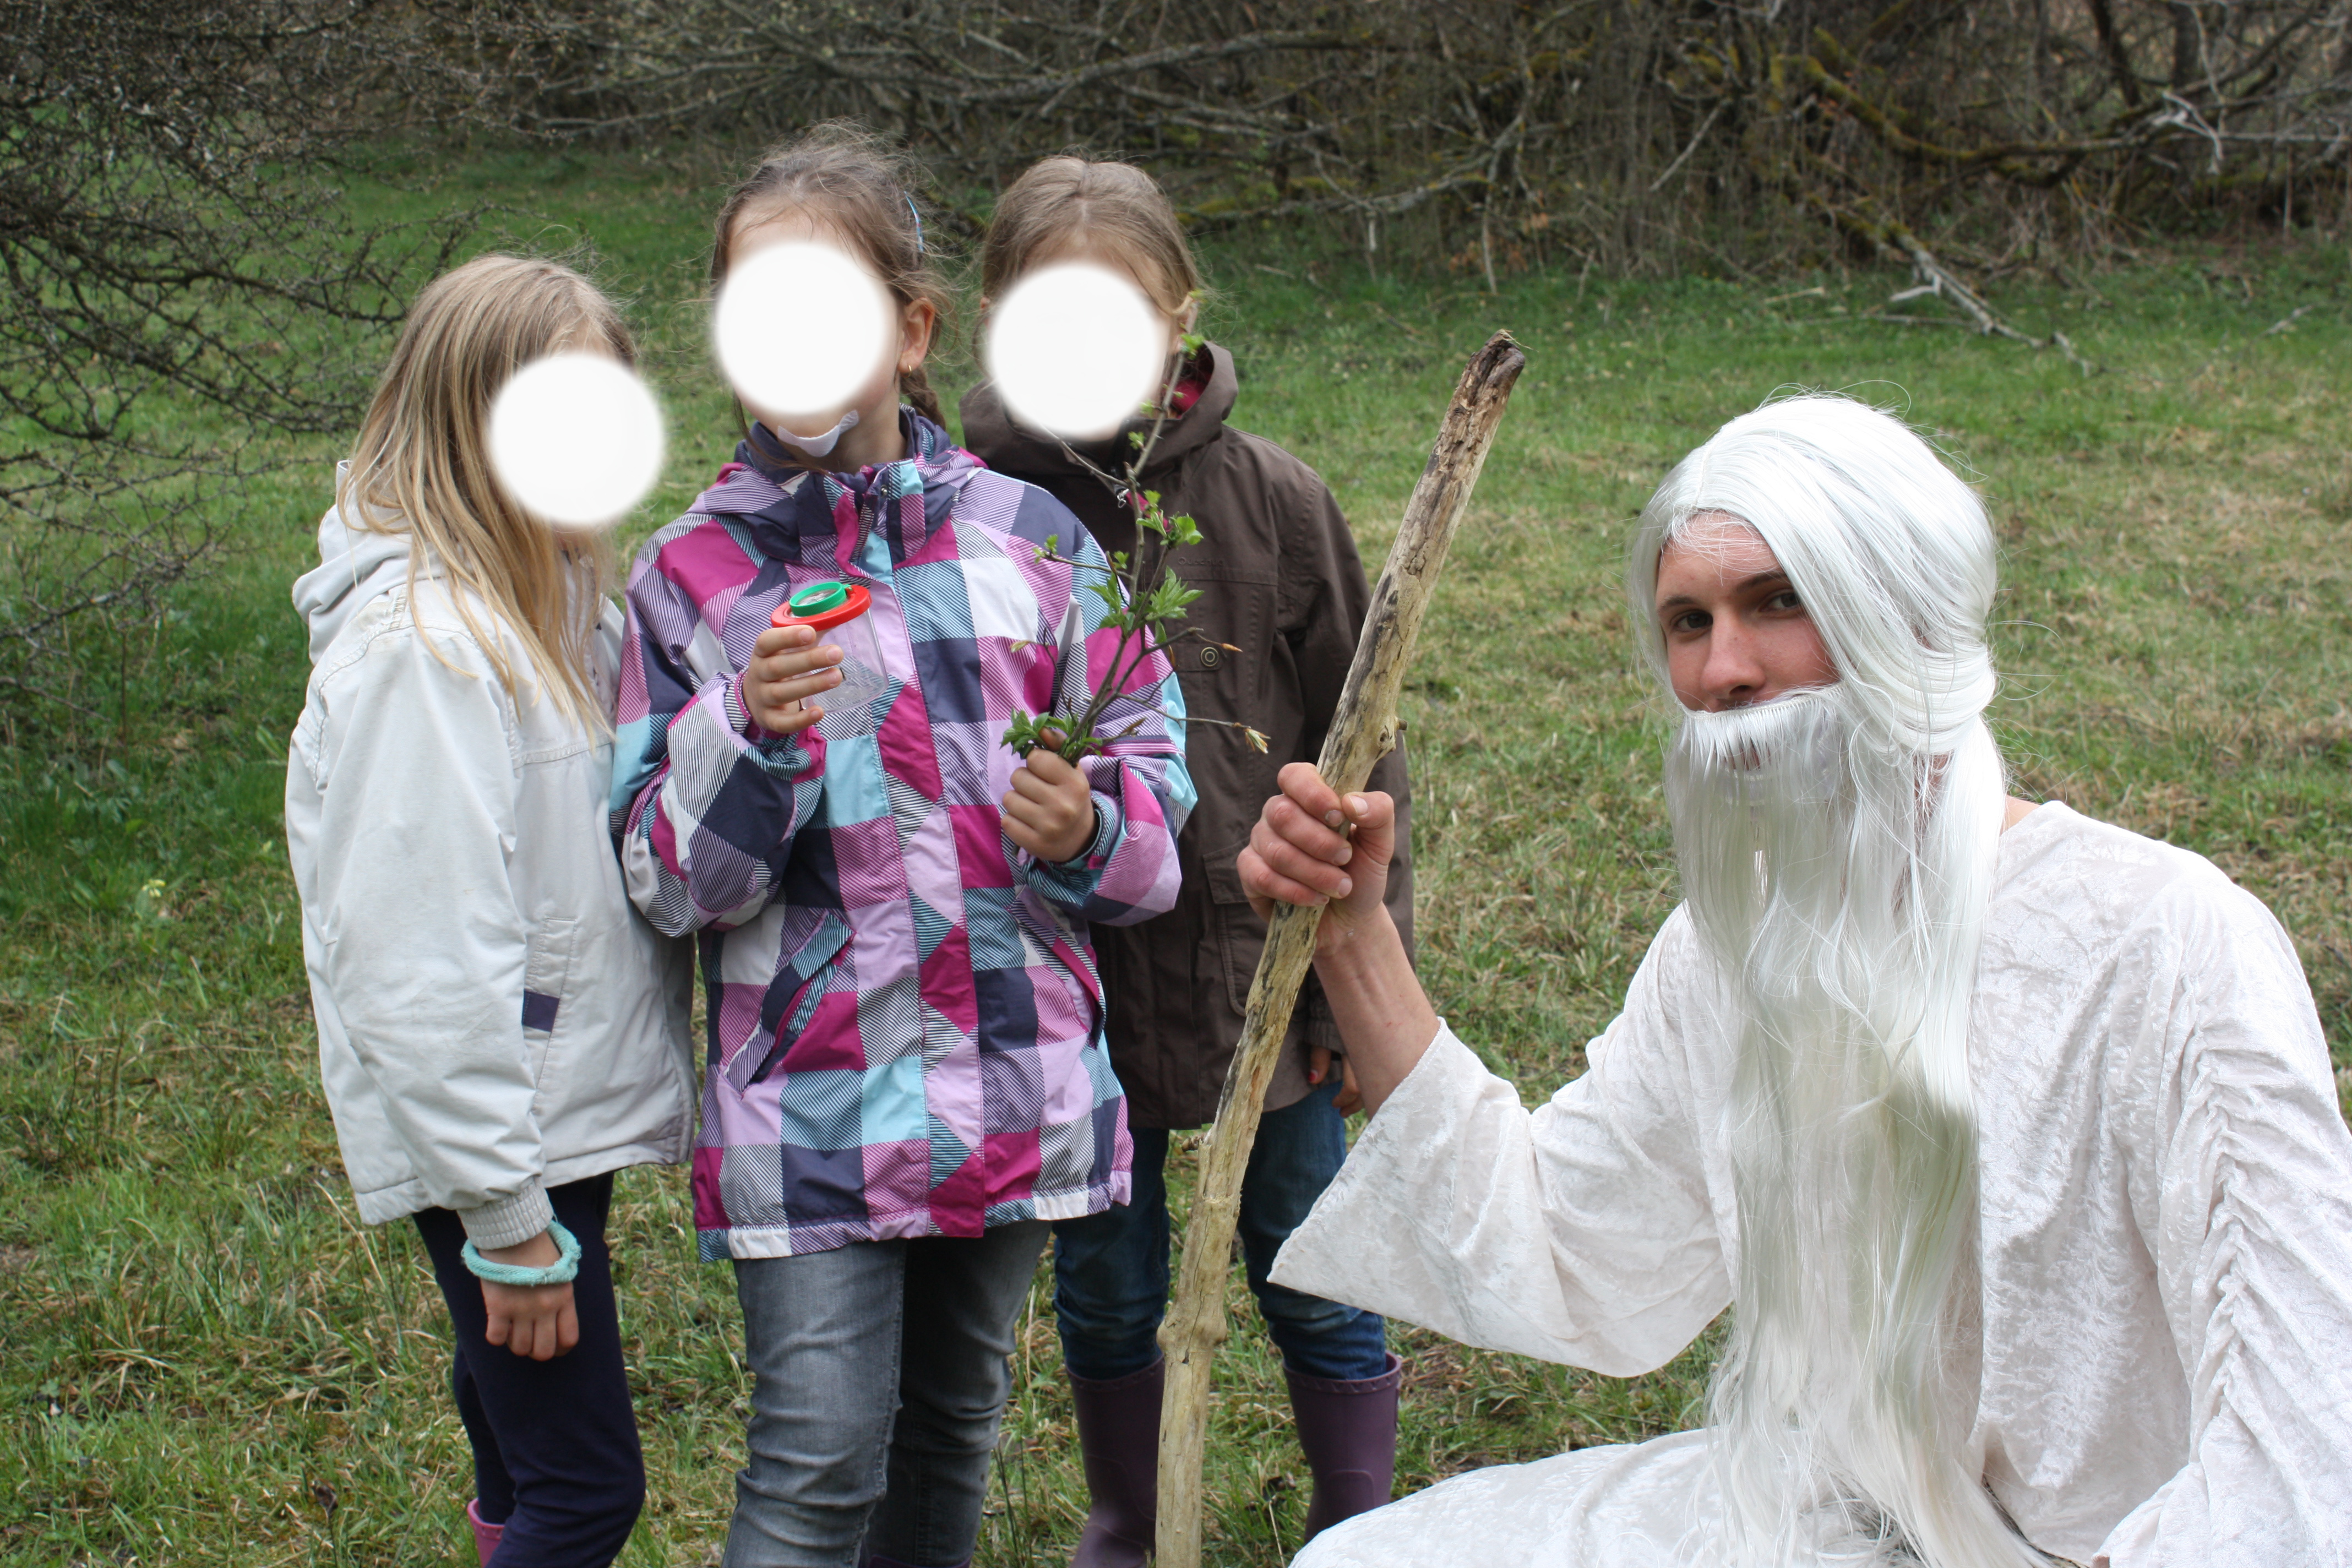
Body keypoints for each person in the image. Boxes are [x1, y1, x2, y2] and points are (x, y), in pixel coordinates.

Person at [1238, 394, 2352, 1567]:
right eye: (1686, 620)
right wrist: (1355, 934)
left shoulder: (2165, 940)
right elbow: (1567, 1238)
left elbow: (2307, 1428)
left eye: (1778, 601)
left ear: (1906, 611)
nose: (1722, 669)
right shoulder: (1738, 938)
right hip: (1822, 1522)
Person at [608, 126, 1192, 1568]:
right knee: (816, 1463)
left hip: (1008, 1075)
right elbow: (665, 876)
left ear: (913, 326)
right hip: (808, 1107)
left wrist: (1091, 825)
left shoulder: (1036, 543)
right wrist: (745, 740)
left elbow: (1153, 785)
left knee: (951, 1439)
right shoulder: (693, 581)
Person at [959, 154, 1415, 1565]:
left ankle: (1360, 1515)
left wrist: (1349, 980)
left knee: (1314, 1251)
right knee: (1105, 1275)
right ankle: (1130, 1516)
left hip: (1253, 964)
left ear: (1181, 317)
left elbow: (1367, 751)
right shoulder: (972, 512)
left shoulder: (1274, 502)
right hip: (1064, 979)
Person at [286, 254, 696, 1567]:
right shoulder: (426, 649)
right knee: (587, 1487)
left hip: (540, 1108)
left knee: (519, 1447)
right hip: (502, 1132)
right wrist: (508, 1214)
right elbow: (414, 955)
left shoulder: (544, 598)